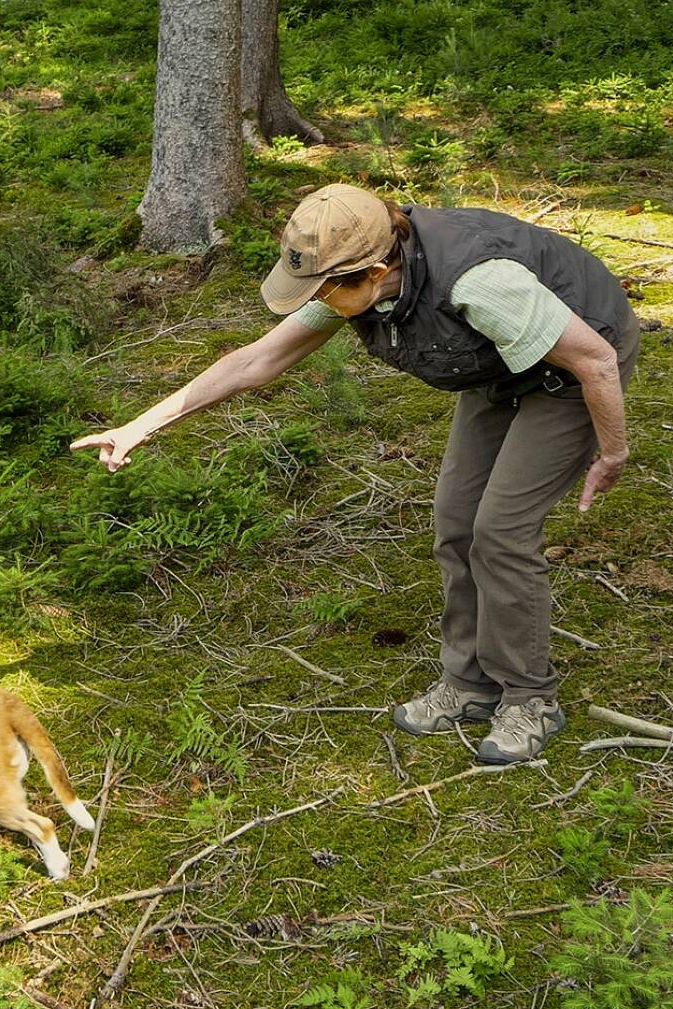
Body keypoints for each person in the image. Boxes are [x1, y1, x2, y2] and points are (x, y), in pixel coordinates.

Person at [71, 185, 640, 764]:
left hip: (572, 374)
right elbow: (255, 361)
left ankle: (529, 696)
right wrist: (140, 426)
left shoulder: (477, 282)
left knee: (502, 532)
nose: (311, 303)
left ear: (370, 273)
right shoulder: (351, 283)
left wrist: (611, 452)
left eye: (322, 291)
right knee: (457, 524)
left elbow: (593, 358)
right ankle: (469, 683)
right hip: (495, 367)